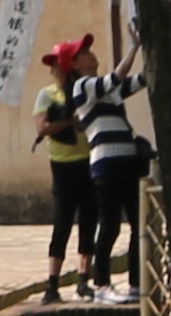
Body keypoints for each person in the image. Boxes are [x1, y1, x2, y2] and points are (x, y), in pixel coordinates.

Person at [62, 39, 150, 298]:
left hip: (128, 161)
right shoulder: (82, 86)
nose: (92, 55)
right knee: (110, 224)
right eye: (85, 53)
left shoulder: (109, 90)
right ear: (75, 64)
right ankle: (101, 283)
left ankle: (136, 283)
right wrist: (134, 47)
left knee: (138, 223)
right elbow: (116, 77)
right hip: (106, 164)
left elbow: (139, 80)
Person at [32, 33, 98, 298]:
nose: (57, 69)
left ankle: (84, 279)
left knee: (89, 220)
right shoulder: (47, 95)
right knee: (62, 222)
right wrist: (69, 121)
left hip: (88, 160)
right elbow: (42, 127)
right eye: (53, 65)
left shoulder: (83, 89)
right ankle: (52, 283)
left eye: (60, 64)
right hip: (62, 164)